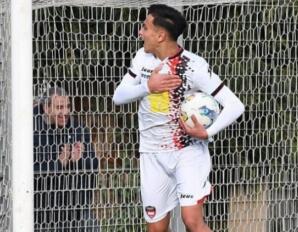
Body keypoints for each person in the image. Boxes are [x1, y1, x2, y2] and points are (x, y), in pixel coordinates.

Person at [113, 4, 245, 232]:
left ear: (160, 35)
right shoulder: (142, 58)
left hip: (188, 151)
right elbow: (118, 96)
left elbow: (235, 105)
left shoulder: (194, 66)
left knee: (192, 221)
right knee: (156, 229)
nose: (140, 32)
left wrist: (207, 132)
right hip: (152, 153)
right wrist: (148, 86)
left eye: (145, 27)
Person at [33, 87, 99, 232]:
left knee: (91, 225)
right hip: (41, 211)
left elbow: (94, 164)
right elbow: (27, 173)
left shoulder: (77, 128)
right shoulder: (31, 129)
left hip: (74, 208)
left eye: (68, 106)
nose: (66, 112)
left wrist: (80, 160)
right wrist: (57, 164)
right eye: (59, 107)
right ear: (46, 108)